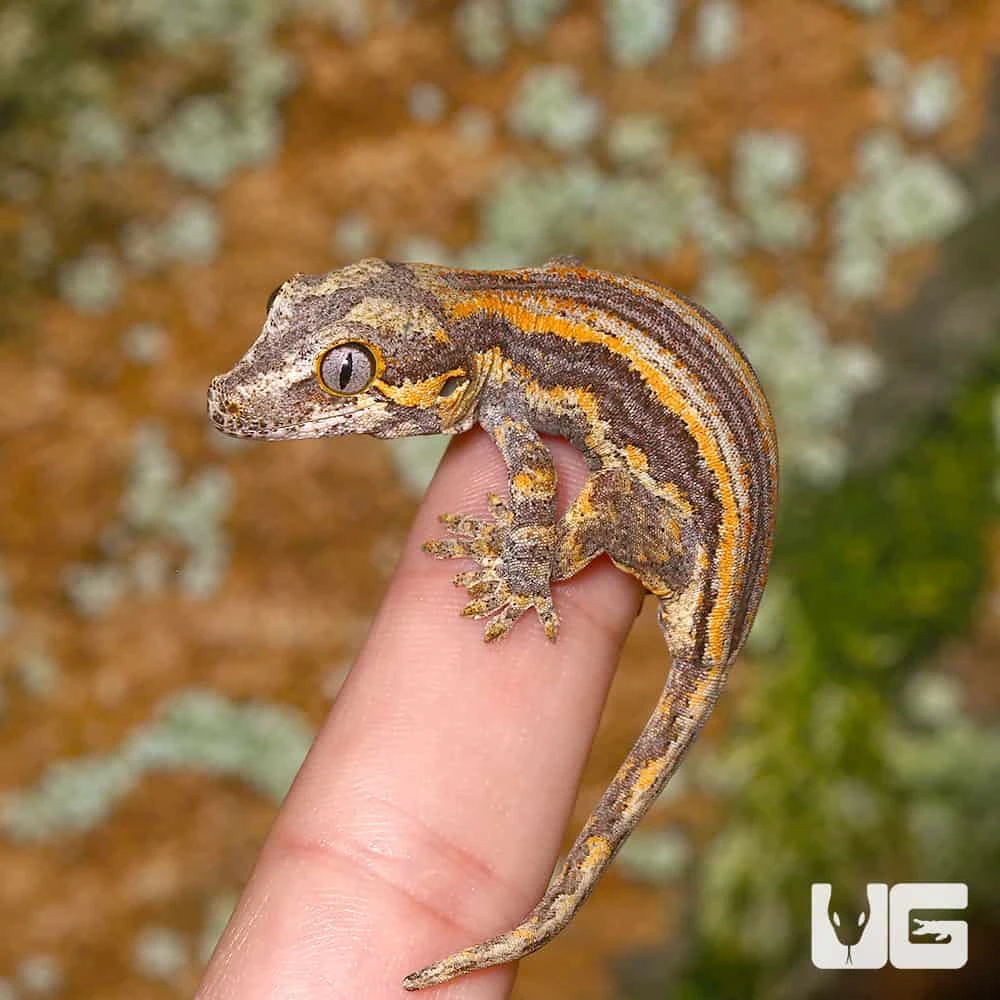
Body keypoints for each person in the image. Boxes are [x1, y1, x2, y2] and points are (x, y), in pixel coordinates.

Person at [195, 428, 642, 999]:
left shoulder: (515, 401)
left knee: (601, 502)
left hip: (690, 521)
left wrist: (525, 565)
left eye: (348, 377)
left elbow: (536, 475)